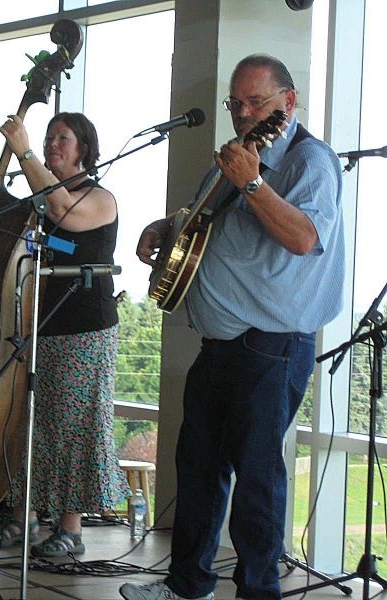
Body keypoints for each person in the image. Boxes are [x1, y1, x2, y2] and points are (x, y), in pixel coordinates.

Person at [120, 54, 345, 600]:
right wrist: (165, 228)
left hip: (270, 347)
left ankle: (258, 592)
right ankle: (186, 586)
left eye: (256, 102)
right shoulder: (238, 156)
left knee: (257, 482)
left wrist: (252, 183)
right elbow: (203, 219)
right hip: (219, 345)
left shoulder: (310, 160)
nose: (244, 113)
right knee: (197, 469)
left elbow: (303, 238)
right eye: (236, 103)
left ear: (288, 102)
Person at [0, 111, 130, 557]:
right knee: (31, 423)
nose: (51, 145)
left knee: (72, 426)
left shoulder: (99, 198)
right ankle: (22, 516)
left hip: (85, 329)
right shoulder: (43, 202)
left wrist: (23, 150)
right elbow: (51, 243)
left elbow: (66, 215)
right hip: (41, 324)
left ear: (84, 149)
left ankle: (71, 529)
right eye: (47, 138)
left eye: (62, 138)